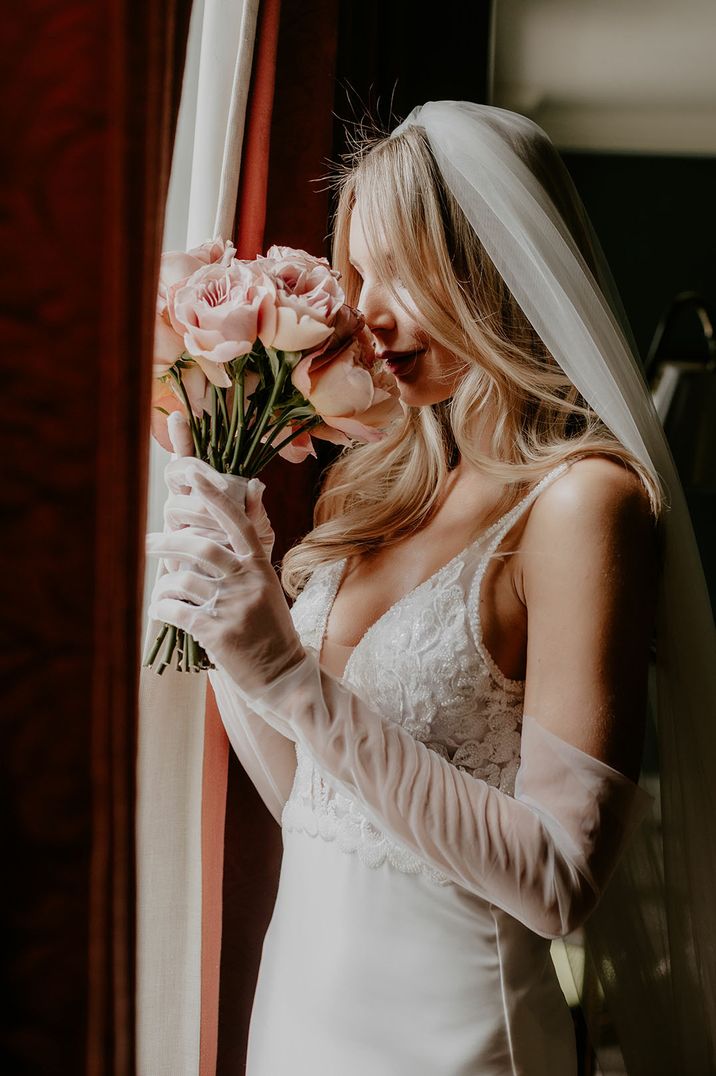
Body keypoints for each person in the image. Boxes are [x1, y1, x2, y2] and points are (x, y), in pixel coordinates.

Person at [146, 103, 716, 1075]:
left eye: (405, 270)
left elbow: (556, 877)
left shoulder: (583, 500)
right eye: (359, 273)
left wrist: (286, 673)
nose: (367, 310)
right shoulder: (388, 489)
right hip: (299, 1007)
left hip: (454, 1036)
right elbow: (314, 798)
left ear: (499, 268)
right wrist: (229, 630)